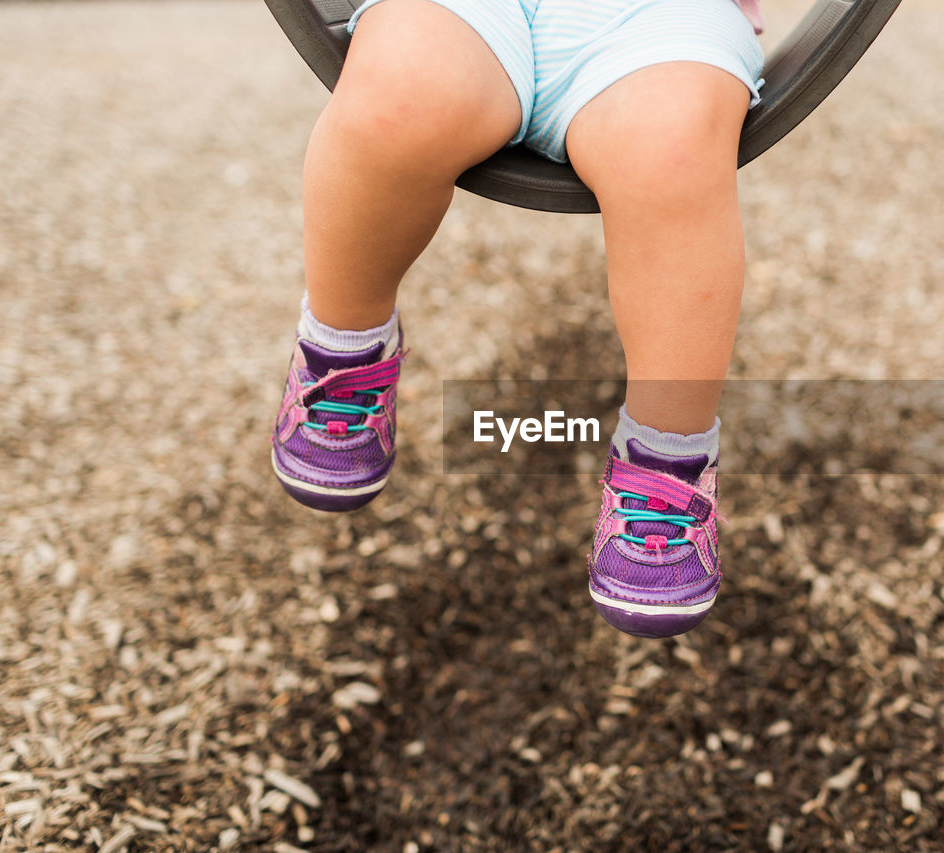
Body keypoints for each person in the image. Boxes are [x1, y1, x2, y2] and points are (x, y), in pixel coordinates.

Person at [270, 0, 765, 639]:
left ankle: (668, 455)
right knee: (401, 97)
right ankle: (345, 345)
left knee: (672, 148)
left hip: (657, 14)